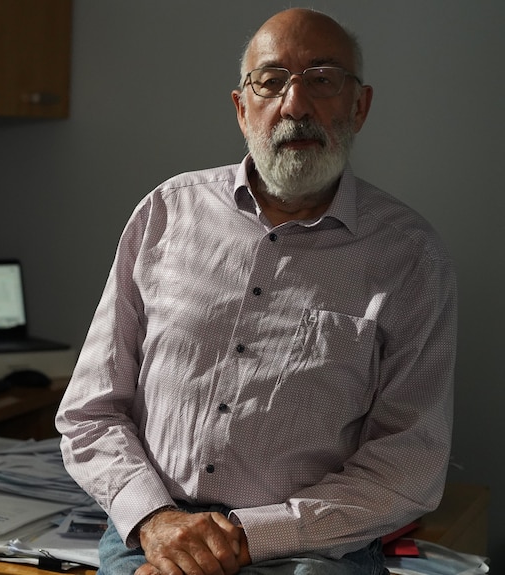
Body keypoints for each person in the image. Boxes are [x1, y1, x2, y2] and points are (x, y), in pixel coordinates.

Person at [55, 8, 457, 575]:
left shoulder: (411, 257)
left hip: (313, 549)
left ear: (359, 106)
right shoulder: (166, 214)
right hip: (156, 538)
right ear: (242, 109)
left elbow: (408, 463)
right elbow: (90, 411)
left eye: (322, 80)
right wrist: (157, 523)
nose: (295, 105)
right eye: (271, 82)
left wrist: (243, 539)